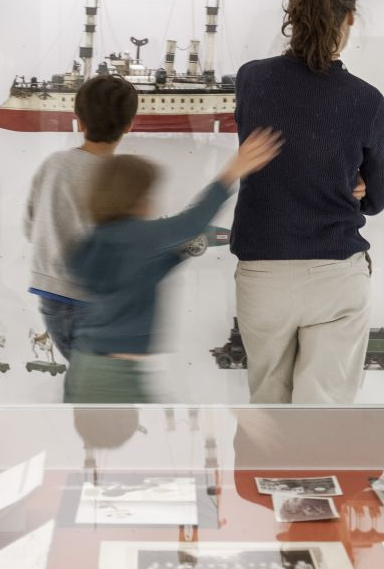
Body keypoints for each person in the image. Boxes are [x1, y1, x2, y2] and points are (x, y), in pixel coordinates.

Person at [231, 0, 384, 405]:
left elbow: (272, 151)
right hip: (335, 274)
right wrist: (354, 185)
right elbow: (378, 196)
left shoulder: (251, 79)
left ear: (292, 14)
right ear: (349, 18)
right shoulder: (367, 100)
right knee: (325, 417)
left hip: (262, 272)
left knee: (268, 412)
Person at [65, 128, 283, 403]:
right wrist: (232, 171)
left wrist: (180, 254)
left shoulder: (100, 239)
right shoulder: (137, 236)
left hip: (87, 366)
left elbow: (138, 277)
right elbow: (191, 223)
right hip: (114, 376)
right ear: (135, 198)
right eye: (148, 194)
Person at [24, 75, 138, 361]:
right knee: (105, 383)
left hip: (51, 297)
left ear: (79, 120)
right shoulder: (121, 177)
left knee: (83, 377)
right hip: (98, 304)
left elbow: (30, 226)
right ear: (129, 125)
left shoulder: (53, 164)